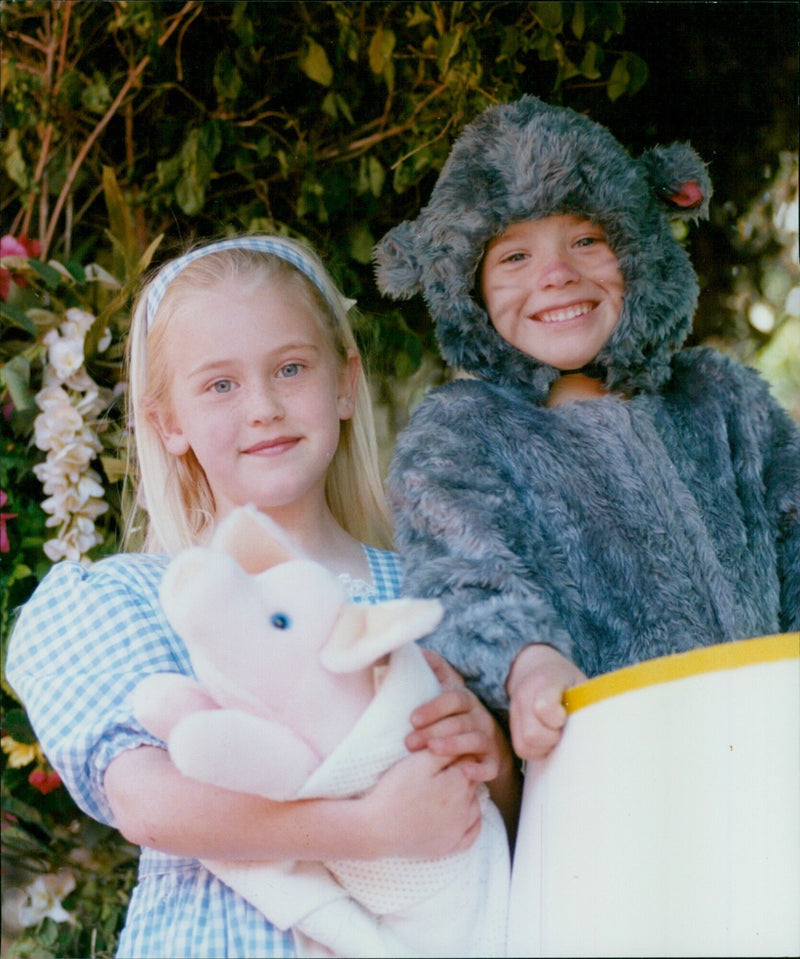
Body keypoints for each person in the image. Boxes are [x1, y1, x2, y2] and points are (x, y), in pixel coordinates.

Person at [6, 235, 519, 958]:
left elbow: (497, 835)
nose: (265, 407)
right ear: (169, 424)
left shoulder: (426, 592)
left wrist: (487, 754)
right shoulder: (129, 600)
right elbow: (147, 803)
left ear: (344, 383)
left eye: (290, 367)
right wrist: (369, 828)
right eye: (220, 384)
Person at [374, 95, 800, 763]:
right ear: (467, 288)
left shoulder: (723, 401)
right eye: (512, 257)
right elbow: (465, 577)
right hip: (605, 773)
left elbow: (794, 530)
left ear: (639, 245)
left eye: (586, 239)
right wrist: (528, 661)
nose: (556, 274)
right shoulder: (462, 437)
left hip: (770, 749)